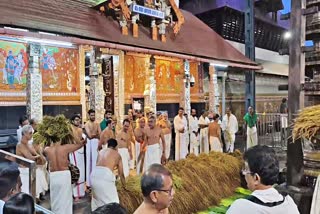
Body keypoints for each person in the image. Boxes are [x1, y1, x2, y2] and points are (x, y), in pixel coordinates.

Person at [227, 145, 299, 214]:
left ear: (256, 178)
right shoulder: (289, 203)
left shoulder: (241, 207)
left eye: (246, 169)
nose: (243, 173)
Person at [44, 128, 86, 214]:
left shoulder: (47, 150)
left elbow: (42, 147)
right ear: (60, 138)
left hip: (53, 176)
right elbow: (82, 143)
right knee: (65, 199)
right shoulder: (65, 148)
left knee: (55, 199)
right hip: (64, 175)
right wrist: (72, 131)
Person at [91, 139, 126, 211]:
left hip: (93, 175)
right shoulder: (117, 154)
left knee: (97, 201)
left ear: (107, 145)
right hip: (105, 176)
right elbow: (121, 174)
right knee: (113, 204)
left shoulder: (101, 151)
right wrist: (124, 186)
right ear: (116, 147)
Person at [16, 125, 41, 194]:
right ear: (24, 134)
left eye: (32, 133)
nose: (32, 135)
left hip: (31, 171)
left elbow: (36, 154)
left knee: (32, 193)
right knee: (25, 193)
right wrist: (37, 156)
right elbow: (30, 157)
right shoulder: (20, 145)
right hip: (24, 172)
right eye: (30, 133)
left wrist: (37, 155)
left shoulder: (29, 144)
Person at [69, 114, 86, 201]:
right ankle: (76, 194)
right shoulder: (71, 129)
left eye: (79, 120)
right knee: (75, 170)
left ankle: (81, 192)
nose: (78, 121)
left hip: (81, 151)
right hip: (74, 151)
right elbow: (78, 141)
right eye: (76, 120)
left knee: (81, 170)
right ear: (72, 121)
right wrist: (82, 141)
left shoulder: (80, 129)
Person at [85, 109, 101, 187]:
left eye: (94, 115)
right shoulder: (87, 124)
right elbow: (90, 136)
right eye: (91, 115)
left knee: (96, 162)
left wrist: (94, 135)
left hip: (96, 143)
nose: (93, 116)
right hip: (89, 144)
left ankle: (96, 181)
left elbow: (100, 134)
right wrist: (96, 134)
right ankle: (89, 183)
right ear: (89, 116)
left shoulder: (97, 123)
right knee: (89, 162)